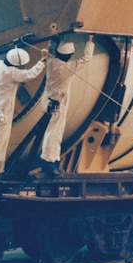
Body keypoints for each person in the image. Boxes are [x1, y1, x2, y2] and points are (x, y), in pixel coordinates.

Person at [0, 47, 46, 179]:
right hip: (3, 112)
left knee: (0, 141)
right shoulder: (12, 73)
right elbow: (30, 74)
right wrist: (43, 60)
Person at [33, 35, 95, 177]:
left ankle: (53, 161)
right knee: (53, 133)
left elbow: (50, 52)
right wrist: (90, 41)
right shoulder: (69, 67)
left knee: (55, 132)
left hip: (49, 100)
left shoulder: (51, 62)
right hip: (56, 103)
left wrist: (53, 41)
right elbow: (86, 58)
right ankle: (48, 163)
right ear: (70, 55)